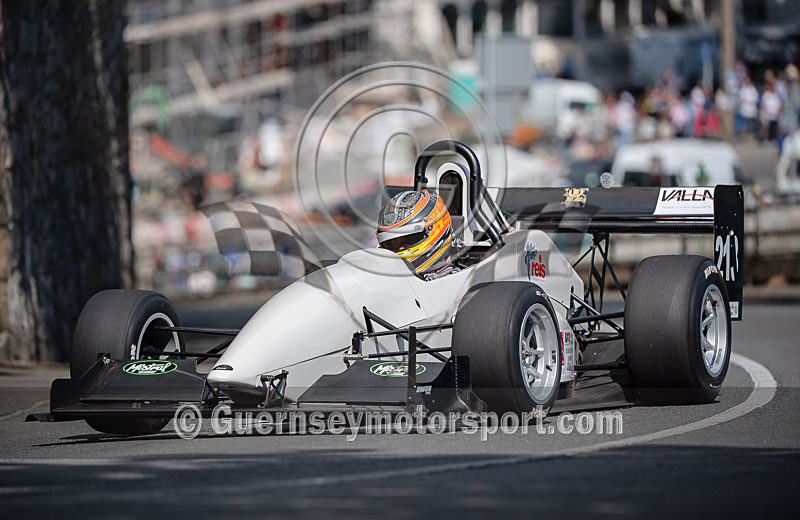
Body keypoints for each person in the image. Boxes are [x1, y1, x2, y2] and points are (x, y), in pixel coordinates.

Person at [376, 190, 457, 280]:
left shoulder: (466, 287)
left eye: (409, 239)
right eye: (392, 243)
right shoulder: (382, 280)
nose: (400, 248)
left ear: (436, 229)